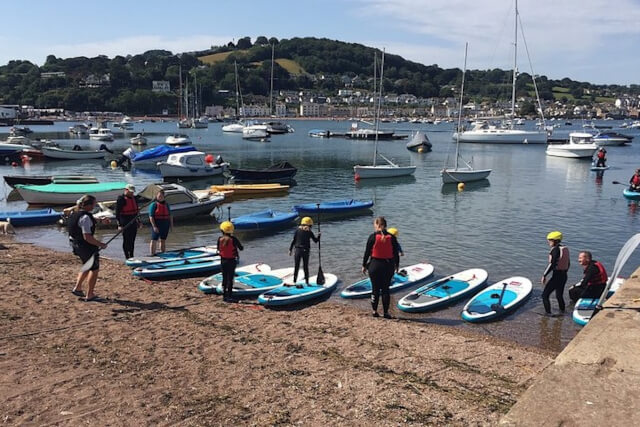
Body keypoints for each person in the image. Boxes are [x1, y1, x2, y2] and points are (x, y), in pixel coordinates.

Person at [68, 195, 107, 302]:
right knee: (94, 269)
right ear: (88, 205)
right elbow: (87, 237)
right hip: (85, 246)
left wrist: (99, 220)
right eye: (94, 204)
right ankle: (90, 295)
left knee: (86, 265)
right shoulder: (85, 217)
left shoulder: (74, 214)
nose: (95, 206)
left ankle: (78, 288)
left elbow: (83, 224)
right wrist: (100, 244)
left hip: (76, 244)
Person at [362, 216, 401, 319]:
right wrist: (397, 265)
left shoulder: (372, 237)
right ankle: (386, 313)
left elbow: (367, 253)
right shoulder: (392, 238)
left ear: (378, 225)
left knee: (375, 289)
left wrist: (364, 265)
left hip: (374, 266)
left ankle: (374, 311)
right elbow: (396, 254)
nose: (374, 227)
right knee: (385, 289)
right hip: (388, 266)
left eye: (375, 224)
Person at [540, 231, 570, 315]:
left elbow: (552, 264)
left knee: (545, 295)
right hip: (564, 276)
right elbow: (568, 263)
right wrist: (564, 272)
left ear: (555, 241)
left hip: (557, 276)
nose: (548, 242)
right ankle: (562, 312)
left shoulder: (555, 250)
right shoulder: (564, 249)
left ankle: (548, 313)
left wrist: (544, 275)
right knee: (559, 295)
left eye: (550, 240)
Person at [289, 216, 320, 287]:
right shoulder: (309, 232)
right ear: (309, 225)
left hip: (297, 250)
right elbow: (315, 241)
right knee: (305, 267)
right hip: (305, 251)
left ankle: (294, 281)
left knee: (296, 266)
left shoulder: (297, 230)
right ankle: (307, 282)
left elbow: (294, 240)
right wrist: (319, 236)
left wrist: (290, 249)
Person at [217, 221, 244, 302]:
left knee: (224, 277)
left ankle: (224, 296)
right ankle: (229, 296)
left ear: (222, 230)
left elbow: (218, 248)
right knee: (230, 278)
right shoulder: (234, 239)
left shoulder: (219, 239)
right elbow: (241, 248)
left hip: (223, 260)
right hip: (232, 261)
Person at [115, 184, 140, 259]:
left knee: (132, 240)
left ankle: (132, 256)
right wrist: (119, 225)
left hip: (133, 221)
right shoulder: (121, 199)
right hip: (125, 222)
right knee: (126, 240)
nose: (132, 193)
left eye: (133, 192)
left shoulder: (134, 199)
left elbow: (136, 212)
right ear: (126, 190)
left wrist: (139, 221)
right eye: (131, 192)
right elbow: (117, 213)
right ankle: (127, 257)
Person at [148, 189, 172, 255]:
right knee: (154, 240)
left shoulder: (166, 205)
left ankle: (163, 253)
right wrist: (154, 226)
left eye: (161, 196)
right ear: (156, 196)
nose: (160, 197)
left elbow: (170, 215)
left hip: (165, 224)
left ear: (164, 197)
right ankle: (152, 254)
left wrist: (171, 226)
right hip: (157, 224)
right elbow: (151, 217)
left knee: (163, 240)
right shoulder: (154, 205)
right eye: (159, 196)